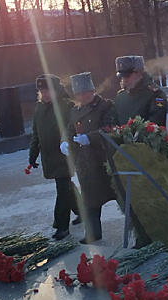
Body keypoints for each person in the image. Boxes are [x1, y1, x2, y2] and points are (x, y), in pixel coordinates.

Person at [65, 72, 118, 244]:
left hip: (104, 161)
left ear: (92, 90)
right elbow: (69, 129)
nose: (81, 96)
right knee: (90, 201)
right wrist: (65, 142)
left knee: (121, 196)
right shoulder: (75, 110)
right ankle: (93, 233)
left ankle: (140, 231)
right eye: (78, 94)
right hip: (86, 164)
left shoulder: (105, 106)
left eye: (85, 93)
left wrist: (90, 137)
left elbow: (110, 127)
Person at [29, 74, 81, 240]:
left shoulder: (66, 106)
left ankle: (61, 226)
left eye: (48, 91)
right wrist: (33, 155)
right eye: (42, 91)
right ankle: (83, 211)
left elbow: (73, 127)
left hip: (65, 155)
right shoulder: (39, 108)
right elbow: (36, 134)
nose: (44, 94)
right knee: (65, 186)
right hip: (49, 156)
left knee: (62, 189)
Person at [113, 55, 168, 127]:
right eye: (122, 77)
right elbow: (114, 121)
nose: (124, 80)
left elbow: (156, 125)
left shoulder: (156, 95)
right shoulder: (120, 96)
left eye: (128, 76)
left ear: (139, 73)